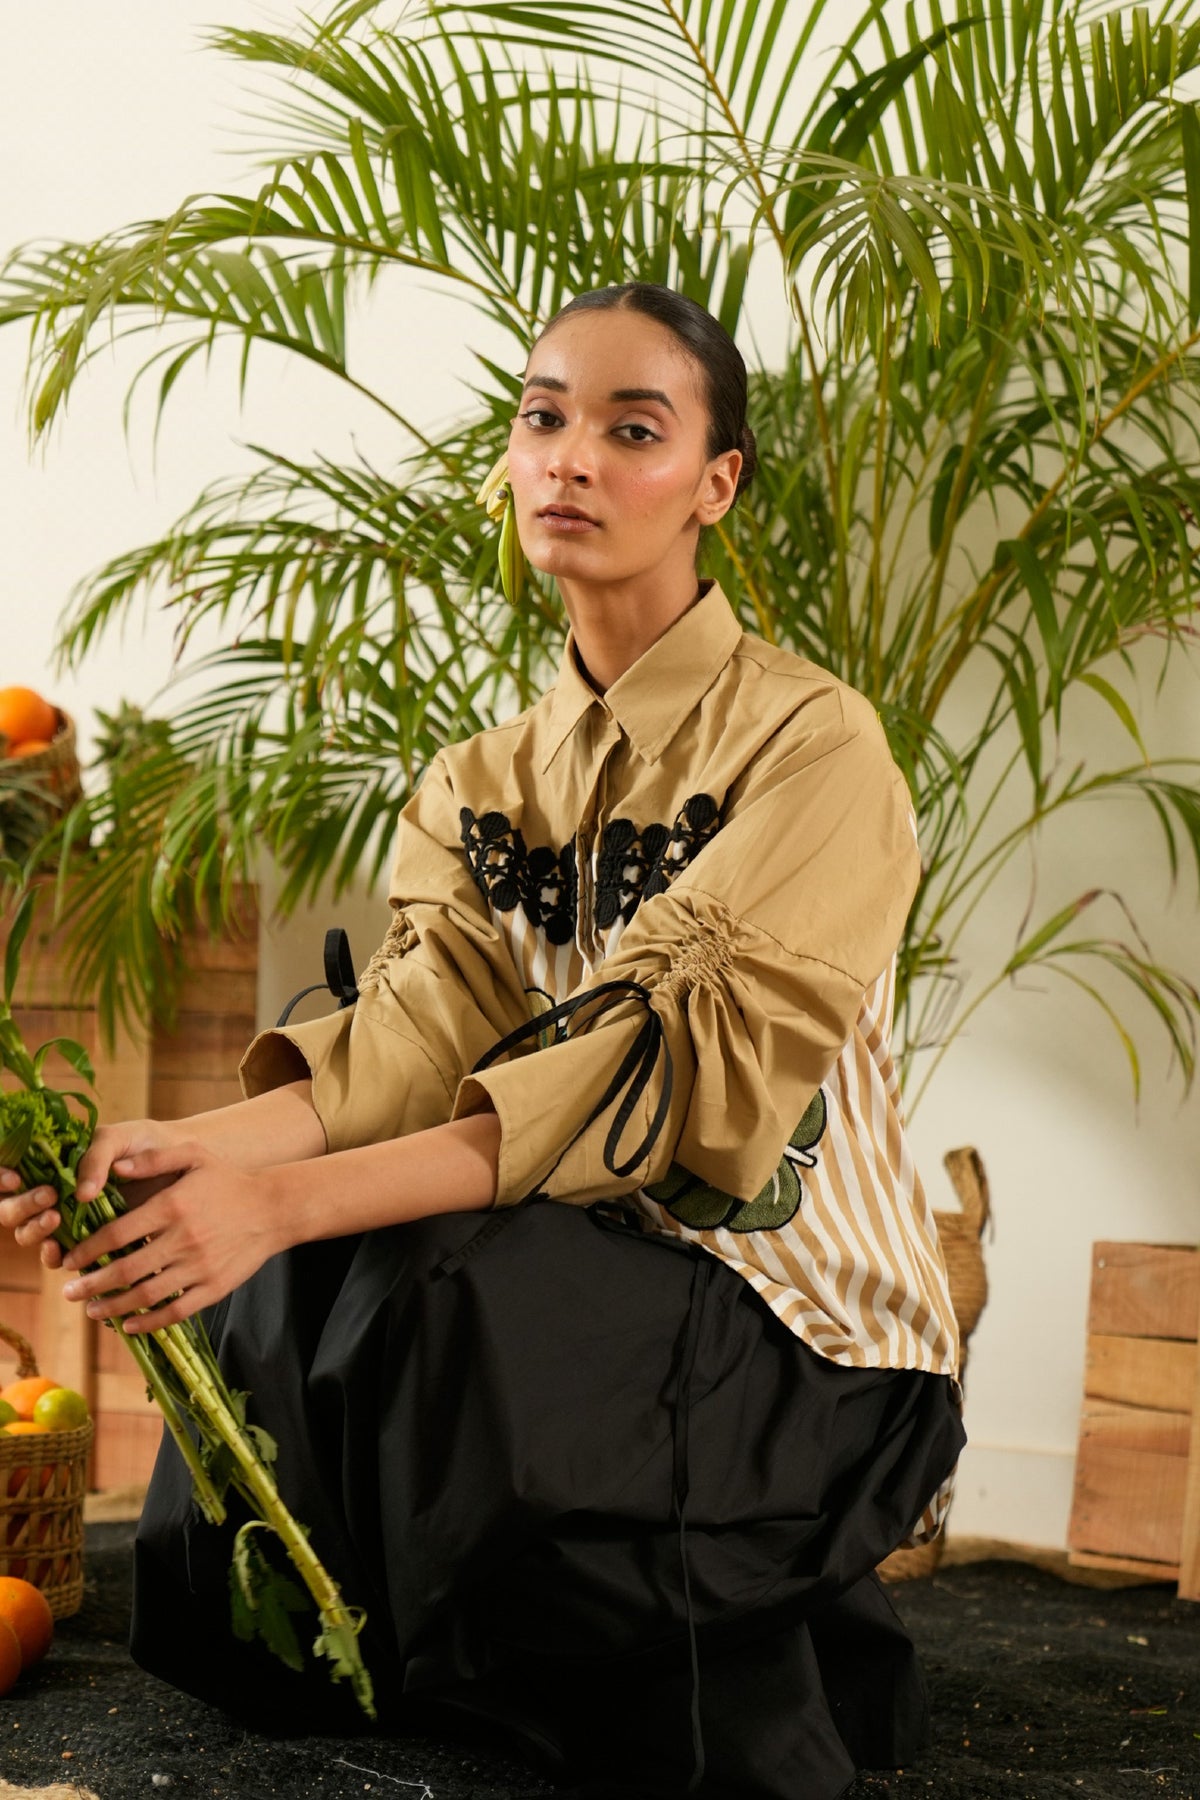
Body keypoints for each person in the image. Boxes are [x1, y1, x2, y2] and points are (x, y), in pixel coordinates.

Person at [0, 283, 964, 1800]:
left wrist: (282, 1202)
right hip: (574, 1276)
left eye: (633, 429)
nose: (571, 457)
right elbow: (404, 1038)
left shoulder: (815, 743)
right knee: (311, 1265)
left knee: (431, 1265)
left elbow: (642, 1077)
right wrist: (177, 1157)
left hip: (800, 1330)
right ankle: (429, 1675)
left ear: (717, 484)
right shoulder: (480, 780)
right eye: (544, 417)